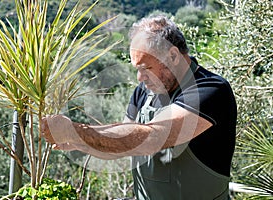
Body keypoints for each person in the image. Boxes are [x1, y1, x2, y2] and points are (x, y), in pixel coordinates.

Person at [42, 15, 237, 200]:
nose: (140, 78)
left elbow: (152, 138)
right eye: (137, 69)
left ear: (173, 55)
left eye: (146, 68)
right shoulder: (144, 91)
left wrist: (77, 131)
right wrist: (80, 142)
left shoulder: (210, 90)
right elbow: (123, 144)